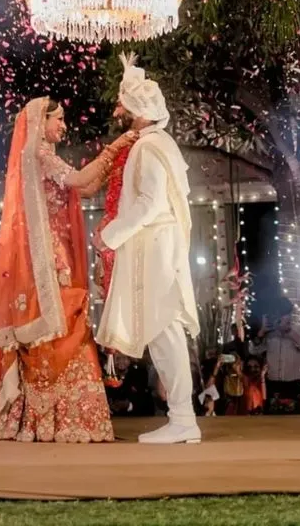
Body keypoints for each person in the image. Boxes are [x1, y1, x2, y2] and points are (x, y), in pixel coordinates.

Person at [0, 97, 135, 442]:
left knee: (67, 321)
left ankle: (59, 417)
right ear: (39, 122)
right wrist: (118, 145)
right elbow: (79, 180)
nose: (64, 126)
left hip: (56, 255)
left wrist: (116, 158)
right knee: (59, 324)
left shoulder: (46, 156)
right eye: (59, 119)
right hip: (46, 261)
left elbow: (86, 185)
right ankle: (53, 417)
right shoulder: (39, 155)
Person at [96, 54, 201, 444]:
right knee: (162, 330)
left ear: (139, 110)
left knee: (164, 329)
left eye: (124, 103)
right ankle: (182, 418)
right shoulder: (155, 143)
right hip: (157, 244)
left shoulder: (149, 147)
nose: (118, 109)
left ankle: (183, 418)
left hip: (156, 245)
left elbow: (151, 203)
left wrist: (111, 235)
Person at [256, 298, 300, 413]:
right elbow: (254, 350)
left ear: (290, 314)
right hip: (273, 384)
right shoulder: (270, 331)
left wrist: (288, 331)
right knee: (272, 424)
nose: (279, 317)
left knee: (294, 424)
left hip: (293, 385)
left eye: (283, 313)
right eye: (276, 313)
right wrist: (261, 332)